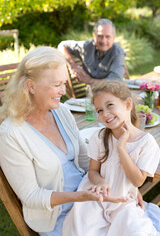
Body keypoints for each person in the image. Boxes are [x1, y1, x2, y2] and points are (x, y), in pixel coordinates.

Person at [0, 47, 128, 236]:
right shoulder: (11, 134)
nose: (63, 91)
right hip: (60, 219)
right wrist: (80, 197)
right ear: (31, 86)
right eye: (56, 85)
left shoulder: (62, 111)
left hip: (90, 201)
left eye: (63, 83)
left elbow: (86, 161)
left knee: (139, 221)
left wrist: (126, 187)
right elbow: (31, 196)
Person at [62, 81, 160, 236]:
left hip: (123, 200)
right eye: (100, 110)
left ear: (128, 104)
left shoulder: (146, 144)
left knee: (137, 231)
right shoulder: (99, 137)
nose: (105, 114)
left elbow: (137, 181)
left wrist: (121, 148)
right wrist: (100, 182)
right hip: (97, 196)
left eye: (110, 105)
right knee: (83, 231)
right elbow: (93, 171)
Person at [58, 18, 126, 85]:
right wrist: (73, 66)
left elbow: (115, 81)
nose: (103, 41)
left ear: (114, 37)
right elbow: (62, 45)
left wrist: (90, 81)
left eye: (107, 37)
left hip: (110, 91)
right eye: (100, 36)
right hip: (90, 92)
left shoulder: (118, 52)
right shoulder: (86, 47)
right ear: (94, 35)